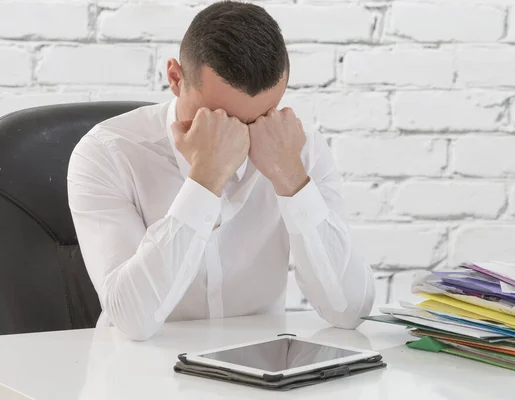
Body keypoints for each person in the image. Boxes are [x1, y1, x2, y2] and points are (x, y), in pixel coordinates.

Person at [67, 0, 375, 341]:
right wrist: (205, 179)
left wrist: (291, 178)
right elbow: (132, 320)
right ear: (175, 78)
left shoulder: (299, 148)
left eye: (262, 116)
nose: (242, 135)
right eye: (222, 119)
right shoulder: (107, 152)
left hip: (258, 374)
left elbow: (349, 312)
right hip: (139, 374)